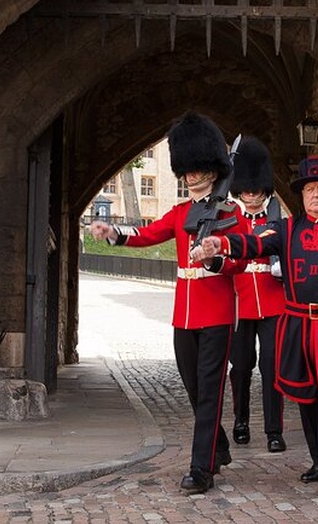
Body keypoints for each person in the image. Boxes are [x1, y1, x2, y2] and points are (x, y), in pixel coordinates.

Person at [192, 156, 318, 502]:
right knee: (308, 398)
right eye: (310, 190)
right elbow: (253, 243)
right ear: (301, 196)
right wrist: (220, 245)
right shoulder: (287, 229)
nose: (315, 196)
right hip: (298, 325)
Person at [90, 111, 246, 495]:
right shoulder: (179, 213)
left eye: (197, 168)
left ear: (211, 167)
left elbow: (241, 258)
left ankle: (201, 468)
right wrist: (114, 233)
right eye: (187, 169)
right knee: (194, 389)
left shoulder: (231, 212)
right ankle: (219, 446)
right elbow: (148, 234)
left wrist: (214, 255)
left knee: (210, 391)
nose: (191, 175)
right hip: (184, 316)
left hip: (218, 314)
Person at [227, 136, 287, 453]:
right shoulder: (229, 220)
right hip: (239, 301)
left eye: (256, 191)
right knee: (241, 367)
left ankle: (274, 430)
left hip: (273, 300)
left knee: (272, 367)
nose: (251, 196)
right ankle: (240, 421)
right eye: (247, 191)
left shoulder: (277, 220)